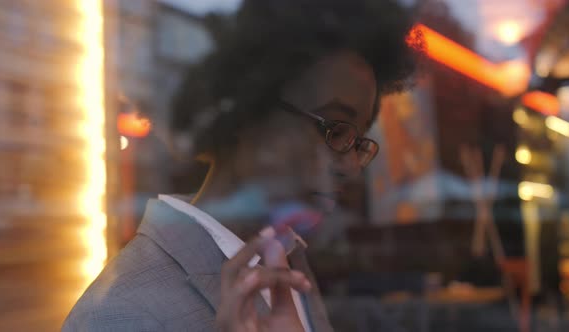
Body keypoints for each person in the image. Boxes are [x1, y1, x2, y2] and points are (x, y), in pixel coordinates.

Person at [62, 0, 422, 331]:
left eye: (357, 143)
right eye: (334, 129)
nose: (352, 168)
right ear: (248, 114)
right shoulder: (117, 317)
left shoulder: (287, 259)